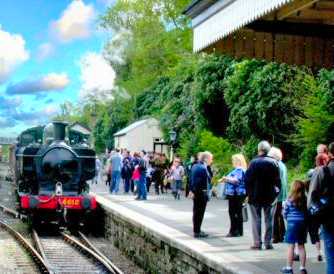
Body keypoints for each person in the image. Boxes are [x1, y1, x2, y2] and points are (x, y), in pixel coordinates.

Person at [245, 141, 281, 250]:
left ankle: (257, 242)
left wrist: (248, 194)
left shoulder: (253, 163)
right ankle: (268, 242)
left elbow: (247, 180)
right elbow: (278, 181)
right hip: (269, 196)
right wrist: (276, 194)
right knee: (269, 219)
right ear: (268, 150)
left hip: (255, 196)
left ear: (258, 150)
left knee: (256, 219)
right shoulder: (274, 163)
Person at [308, 142, 334, 274]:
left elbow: (312, 197)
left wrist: (313, 217)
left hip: (329, 217)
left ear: (329, 153)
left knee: (331, 254)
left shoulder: (323, 171)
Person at [281, 180, 308, 274]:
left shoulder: (289, 200)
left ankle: (289, 268)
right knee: (301, 246)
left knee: (291, 247)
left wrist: (286, 216)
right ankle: (302, 268)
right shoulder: (305, 199)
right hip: (302, 224)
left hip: (292, 224)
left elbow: (284, 213)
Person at [220, 154, 247, 237]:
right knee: (237, 212)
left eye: (233, 160)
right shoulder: (242, 170)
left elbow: (236, 180)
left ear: (238, 161)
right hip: (238, 194)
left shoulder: (239, 170)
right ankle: (238, 230)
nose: (232, 162)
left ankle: (234, 230)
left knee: (234, 212)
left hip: (236, 194)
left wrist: (226, 179)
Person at [189, 151, 213, 238]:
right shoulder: (202, 168)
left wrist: (191, 190)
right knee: (199, 212)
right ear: (206, 159)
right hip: (201, 193)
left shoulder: (196, 166)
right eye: (211, 159)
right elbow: (197, 182)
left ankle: (197, 230)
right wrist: (196, 191)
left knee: (196, 212)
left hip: (198, 193)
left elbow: (190, 179)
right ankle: (197, 231)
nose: (212, 160)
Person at [268, 147, 288, 243]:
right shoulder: (282, 165)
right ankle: (282, 234)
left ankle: (276, 236)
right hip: (283, 193)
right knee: (279, 215)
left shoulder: (276, 165)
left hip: (277, 194)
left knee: (275, 215)